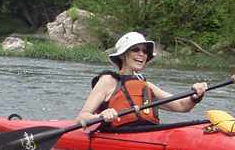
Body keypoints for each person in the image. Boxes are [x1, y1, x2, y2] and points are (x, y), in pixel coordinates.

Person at [76, 31, 207, 130]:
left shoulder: (146, 86)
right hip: (117, 135)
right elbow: (81, 118)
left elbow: (182, 106)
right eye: (136, 50)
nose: (142, 54)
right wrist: (101, 116)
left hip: (149, 133)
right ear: (123, 55)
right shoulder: (108, 81)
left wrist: (195, 96)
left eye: (145, 51)